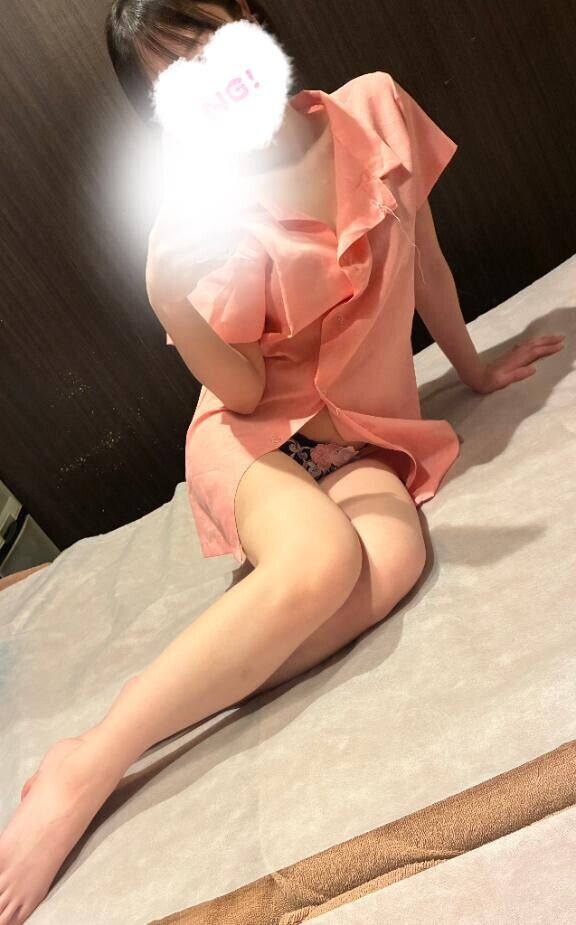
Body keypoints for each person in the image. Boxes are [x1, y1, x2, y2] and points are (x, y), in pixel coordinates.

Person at [0, 3, 565, 923]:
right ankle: (91, 761)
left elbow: (424, 259)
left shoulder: (375, 109)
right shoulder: (212, 220)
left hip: (363, 435)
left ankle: (227, 648)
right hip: (254, 434)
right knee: (324, 560)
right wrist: (172, 304)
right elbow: (246, 387)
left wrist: (474, 370)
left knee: (395, 559)